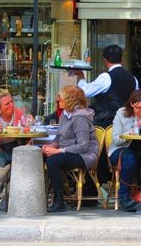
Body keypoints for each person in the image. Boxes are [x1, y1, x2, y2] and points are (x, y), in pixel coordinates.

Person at [42, 85, 99, 213]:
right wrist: (52, 145)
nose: (58, 100)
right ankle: (39, 196)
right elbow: (58, 136)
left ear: (69, 100)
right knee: (38, 155)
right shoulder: (64, 114)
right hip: (67, 150)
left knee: (53, 161)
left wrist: (58, 151)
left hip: (85, 155)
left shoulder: (80, 118)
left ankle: (59, 200)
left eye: (60, 98)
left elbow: (83, 145)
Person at [108, 89, 141, 211]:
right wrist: (132, 131)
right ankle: (124, 198)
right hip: (122, 149)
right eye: (139, 107)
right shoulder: (121, 113)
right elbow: (116, 140)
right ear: (132, 104)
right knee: (130, 158)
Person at [75, 44, 139, 128]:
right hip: (127, 123)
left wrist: (81, 77)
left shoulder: (106, 77)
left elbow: (85, 92)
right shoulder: (133, 79)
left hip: (106, 125)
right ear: (122, 59)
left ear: (105, 61)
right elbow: (136, 100)